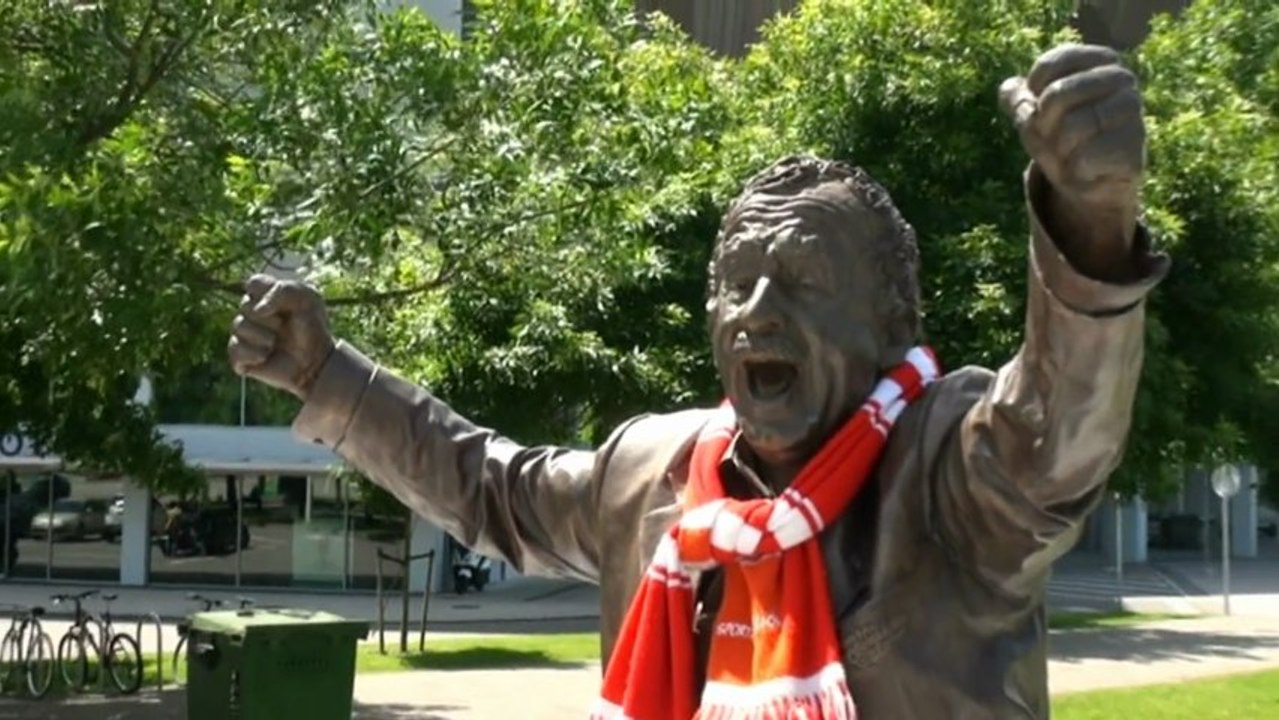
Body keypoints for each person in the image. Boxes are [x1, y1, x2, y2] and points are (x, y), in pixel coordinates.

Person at [229, 43, 1167, 718]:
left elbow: (1057, 431)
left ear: (891, 327)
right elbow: (489, 487)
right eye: (736, 283)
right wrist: (326, 374)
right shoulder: (651, 470)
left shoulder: (951, 467)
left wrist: (1089, 224)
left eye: (801, 279)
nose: (756, 309)